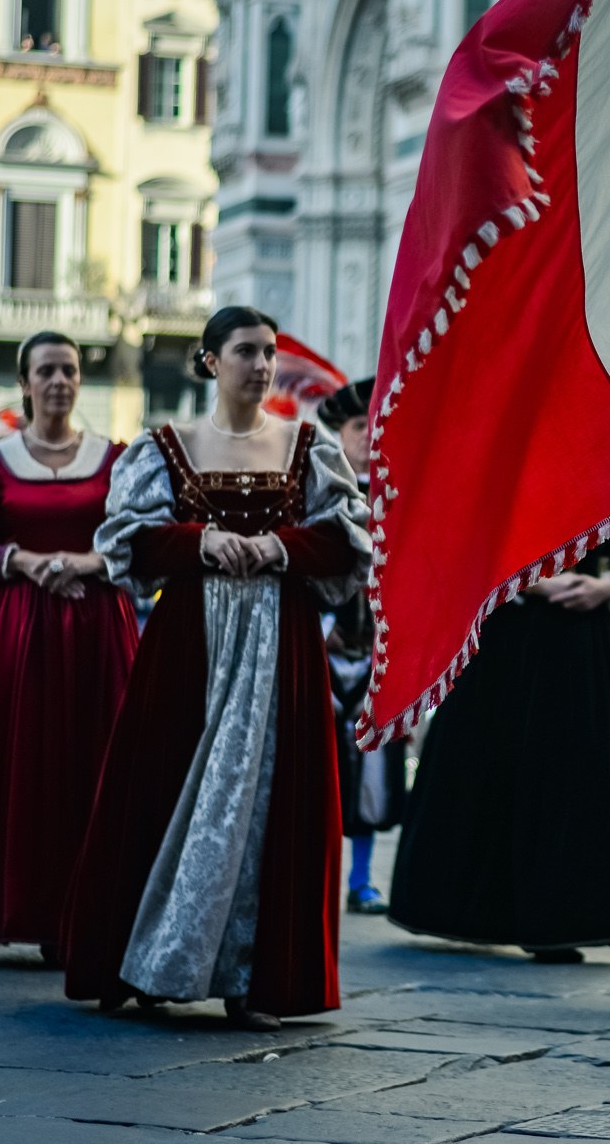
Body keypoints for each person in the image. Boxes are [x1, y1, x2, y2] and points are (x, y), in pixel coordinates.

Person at [61, 307, 369, 1030]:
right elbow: (128, 542)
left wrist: (277, 548)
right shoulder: (167, 445)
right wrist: (202, 541)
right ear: (210, 361)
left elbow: (349, 544)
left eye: (267, 352)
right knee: (160, 783)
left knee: (273, 796)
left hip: (281, 648)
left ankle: (256, 975)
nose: (260, 365)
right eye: (245, 352)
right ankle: (141, 959)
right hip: (187, 645)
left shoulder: (308, 444)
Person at [0, 331, 139, 960]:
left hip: (98, 630)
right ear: (24, 382)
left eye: (69, 369)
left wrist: (89, 562)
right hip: (14, 632)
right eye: (47, 370)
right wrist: (21, 559)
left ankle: (78, 915)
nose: (60, 381)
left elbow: (137, 541)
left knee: (92, 765)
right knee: (5, 763)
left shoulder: (116, 459)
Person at [389, 515, 610, 962]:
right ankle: (461, 911)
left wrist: (609, 587)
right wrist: (535, 583)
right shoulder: (509, 468)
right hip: (506, 639)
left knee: (573, 774)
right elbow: (468, 546)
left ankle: (558, 921)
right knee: (486, 762)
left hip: (582, 641)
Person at [317, 376, 406, 915]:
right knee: (320, 769)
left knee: (372, 778)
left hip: (379, 655)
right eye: (358, 425)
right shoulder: (318, 489)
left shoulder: (401, 496)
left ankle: (362, 879)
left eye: (377, 422)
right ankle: (320, 876)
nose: (370, 433)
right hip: (322, 650)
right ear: (340, 431)